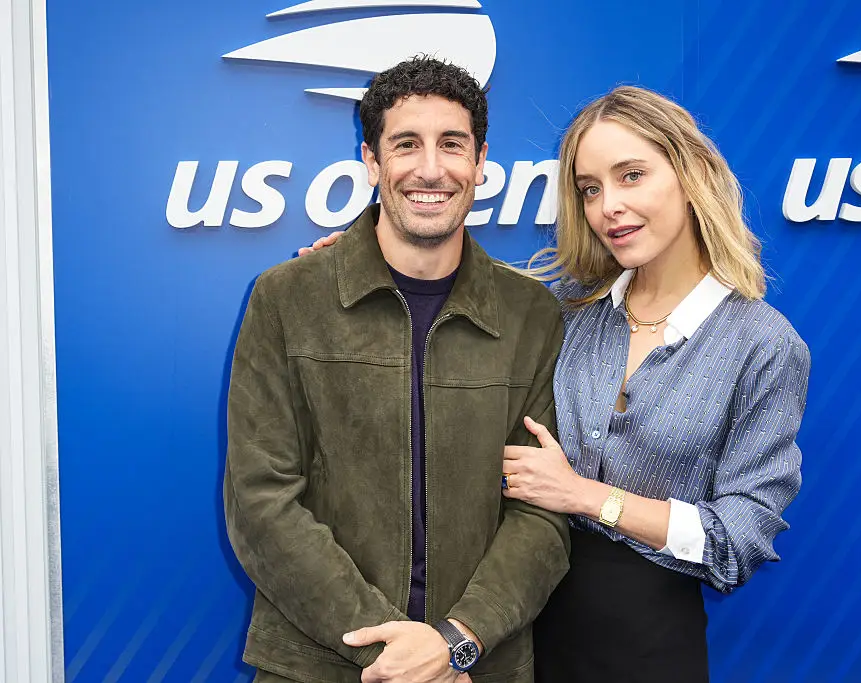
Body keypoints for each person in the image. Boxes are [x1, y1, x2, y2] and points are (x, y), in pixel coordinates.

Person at [303, 85, 810, 682]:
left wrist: (589, 497)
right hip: (515, 637)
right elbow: (441, 282)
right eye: (590, 189)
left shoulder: (762, 343)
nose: (608, 206)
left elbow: (741, 540)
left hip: (646, 647)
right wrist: (361, 259)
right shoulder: (563, 316)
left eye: (631, 175)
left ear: (692, 171)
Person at [224, 56, 570, 683]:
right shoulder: (285, 299)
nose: (431, 168)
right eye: (406, 144)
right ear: (371, 161)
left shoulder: (533, 316)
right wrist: (394, 657)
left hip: (477, 668)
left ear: (481, 161)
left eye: (452, 145)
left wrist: (455, 644)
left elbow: (542, 511)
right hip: (318, 665)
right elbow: (260, 502)